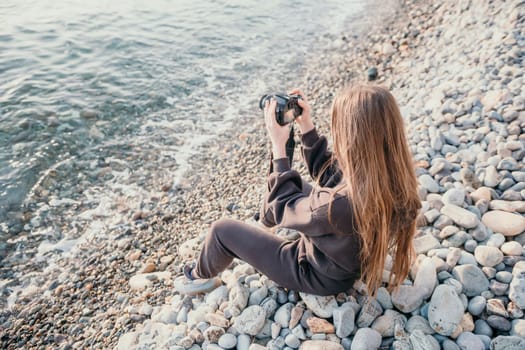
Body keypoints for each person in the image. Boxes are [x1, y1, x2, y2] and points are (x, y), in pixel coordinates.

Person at [174, 85, 421, 297]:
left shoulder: (338, 205)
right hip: (348, 253)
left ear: (351, 137)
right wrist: (306, 127)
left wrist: (279, 147)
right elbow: (331, 174)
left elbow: (284, 205)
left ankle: (196, 277)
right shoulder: (393, 178)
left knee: (222, 230)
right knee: (294, 189)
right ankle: (265, 219)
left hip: (316, 273)